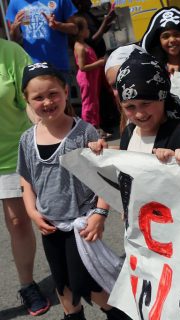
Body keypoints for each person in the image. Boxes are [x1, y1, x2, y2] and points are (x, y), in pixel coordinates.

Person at [18, 62, 130, 320]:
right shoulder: (27, 139)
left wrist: (100, 213)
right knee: (64, 287)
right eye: (38, 97)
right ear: (27, 100)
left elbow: (105, 177)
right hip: (50, 226)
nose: (47, 101)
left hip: (81, 226)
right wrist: (32, 213)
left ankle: (119, 314)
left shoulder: (84, 133)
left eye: (52, 93)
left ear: (65, 91)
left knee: (88, 286)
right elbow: (26, 181)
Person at [0, 37, 50, 317]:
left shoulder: (9, 53)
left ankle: (27, 284)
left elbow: (32, 99)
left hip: (9, 155)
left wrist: (47, 132)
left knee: (18, 221)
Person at [89, 49, 180, 163]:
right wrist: (105, 151)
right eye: (130, 107)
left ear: (162, 97)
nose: (140, 114)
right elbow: (130, 157)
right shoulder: (129, 132)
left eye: (146, 103)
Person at [6, 0, 78, 82]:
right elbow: (15, 39)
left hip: (58, 67)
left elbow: (74, 29)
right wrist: (14, 29)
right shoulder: (15, 2)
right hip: (32, 68)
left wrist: (57, 25)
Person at [141, 7, 180, 75]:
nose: (172, 40)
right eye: (166, 36)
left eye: (176, 35)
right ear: (159, 41)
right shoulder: (154, 70)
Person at [72, 16, 106, 134]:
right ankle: (88, 129)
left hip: (91, 78)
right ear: (80, 32)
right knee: (88, 104)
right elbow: (82, 67)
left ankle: (95, 127)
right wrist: (99, 63)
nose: (88, 30)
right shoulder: (80, 47)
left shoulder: (83, 44)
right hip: (86, 78)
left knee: (94, 102)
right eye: (86, 28)